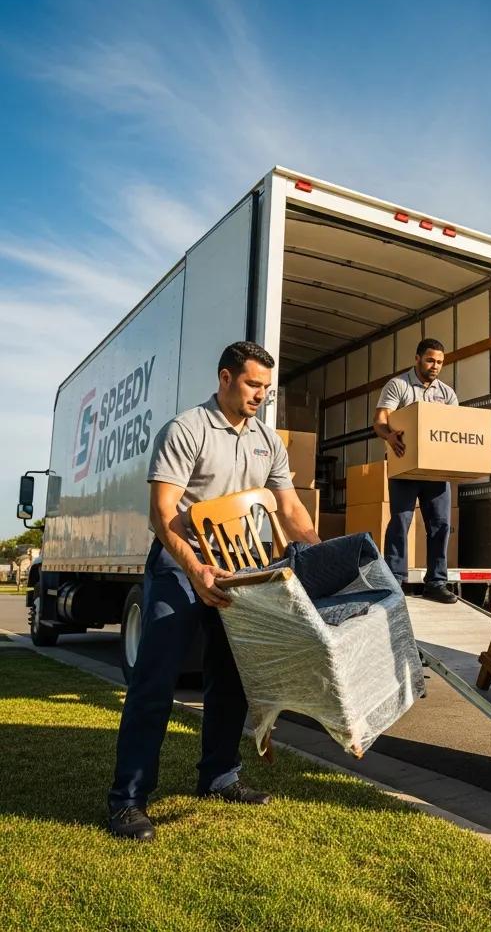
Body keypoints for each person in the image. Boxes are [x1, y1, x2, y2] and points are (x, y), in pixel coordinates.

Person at [108, 341, 321, 841]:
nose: (260, 396)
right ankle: (129, 800)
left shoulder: (268, 441)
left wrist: (316, 553)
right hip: (180, 566)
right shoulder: (186, 430)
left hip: (239, 568)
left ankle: (220, 776)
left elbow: (289, 510)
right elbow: (163, 515)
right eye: (252, 385)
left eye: (267, 389)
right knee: (154, 682)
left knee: (229, 678)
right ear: (224, 378)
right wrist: (196, 569)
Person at [372, 338, 458, 604]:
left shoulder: (447, 394)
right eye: (431, 360)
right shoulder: (399, 386)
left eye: (440, 362)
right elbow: (380, 420)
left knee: (441, 524)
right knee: (401, 521)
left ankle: (436, 583)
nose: (435, 366)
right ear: (418, 358)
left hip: (435, 471)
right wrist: (389, 436)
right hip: (405, 465)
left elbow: (454, 428)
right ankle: (394, 582)